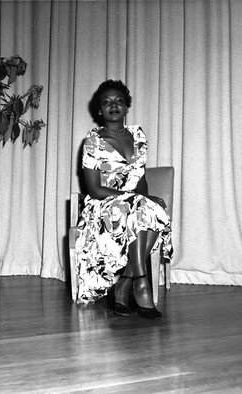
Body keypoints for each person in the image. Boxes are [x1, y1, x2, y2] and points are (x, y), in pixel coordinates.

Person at [75, 79, 173, 319]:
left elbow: (139, 178)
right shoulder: (92, 143)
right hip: (103, 207)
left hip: (133, 204)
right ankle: (141, 281)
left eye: (119, 101)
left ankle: (124, 284)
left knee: (151, 210)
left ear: (127, 107)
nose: (113, 106)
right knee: (140, 208)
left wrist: (146, 199)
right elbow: (94, 189)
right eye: (107, 102)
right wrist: (133, 199)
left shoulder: (138, 136)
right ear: (99, 109)